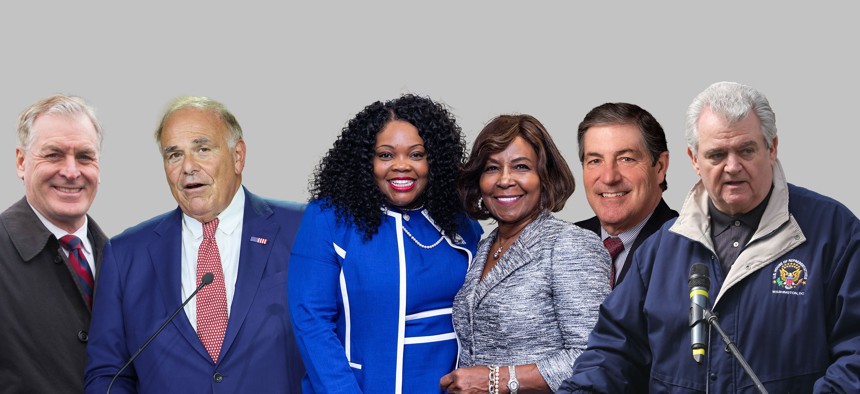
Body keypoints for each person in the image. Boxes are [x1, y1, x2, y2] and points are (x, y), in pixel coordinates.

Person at [559, 82, 860, 393]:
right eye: (716, 154)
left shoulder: (834, 232)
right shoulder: (661, 248)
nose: (732, 167)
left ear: (772, 148)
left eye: (746, 150)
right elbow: (611, 354)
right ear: (694, 159)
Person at [84, 96, 305, 393]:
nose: (188, 166)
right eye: (174, 155)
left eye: (202, 149)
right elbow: (107, 375)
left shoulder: (303, 228)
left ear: (238, 156)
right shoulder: (125, 255)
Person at [288, 94, 483, 393]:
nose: (401, 166)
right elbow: (311, 321)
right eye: (386, 155)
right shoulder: (329, 219)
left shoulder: (459, 222)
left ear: (435, 161)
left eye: (416, 154)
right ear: (367, 161)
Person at [440, 114, 611, 394]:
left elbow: (595, 359)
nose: (505, 180)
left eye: (521, 167)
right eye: (492, 168)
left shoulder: (569, 245)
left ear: (544, 177)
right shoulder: (483, 246)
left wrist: (495, 380)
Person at [0, 94, 107, 393]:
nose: (72, 172)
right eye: (54, 155)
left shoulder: (125, 261)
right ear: (22, 162)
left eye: (85, 156)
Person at [575, 103, 678, 289]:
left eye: (626, 159)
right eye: (595, 161)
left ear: (660, 167)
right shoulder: (564, 243)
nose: (609, 177)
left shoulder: (688, 247)